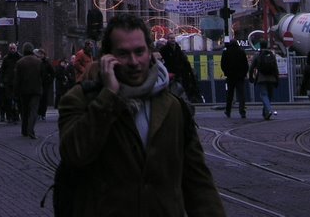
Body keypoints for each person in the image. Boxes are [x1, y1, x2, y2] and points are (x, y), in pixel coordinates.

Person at [58, 14, 225, 217]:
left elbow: (198, 183)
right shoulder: (80, 99)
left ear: (150, 52)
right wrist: (109, 97)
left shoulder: (174, 106)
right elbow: (75, 154)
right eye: (123, 54)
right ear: (107, 58)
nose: (134, 62)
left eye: (139, 52)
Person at [14, 42, 43, 139]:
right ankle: (30, 129)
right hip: (36, 89)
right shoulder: (38, 62)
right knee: (33, 110)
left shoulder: (20, 62)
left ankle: (24, 130)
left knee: (24, 110)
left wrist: (16, 91)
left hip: (24, 90)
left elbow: (17, 79)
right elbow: (43, 75)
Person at [160, 31, 200, 102]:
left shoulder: (178, 49)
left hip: (179, 73)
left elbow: (183, 61)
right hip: (170, 72)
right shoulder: (164, 50)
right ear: (168, 39)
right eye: (171, 38)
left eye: (173, 38)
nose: (172, 40)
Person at [248, 40, 278, 120]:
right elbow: (275, 68)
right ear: (267, 45)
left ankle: (268, 110)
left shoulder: (257, 55)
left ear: (260, 46)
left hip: (261, 78)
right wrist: (277, 79)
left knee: (264, 95)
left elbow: (251, 68)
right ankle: (265, 113)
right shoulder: (271, 54)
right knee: (269, 96)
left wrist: (251, 77)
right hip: (272, 78)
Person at [220, 38, 249, 119]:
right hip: (240, 77)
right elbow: (246, 65)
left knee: (230, 95)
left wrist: (226, 72)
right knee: (241, 95)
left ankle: (228, 111)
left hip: (230, 76)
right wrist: (243, 74)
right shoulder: (241, 52)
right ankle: (242, 111)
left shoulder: (226, 52)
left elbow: (223, 65)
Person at [0, 42, 20, 122]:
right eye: (11, 48)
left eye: (13, 48)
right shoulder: (6, 58)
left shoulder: (19, 57)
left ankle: (15, 115)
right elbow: (2, 70)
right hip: (8, 82)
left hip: (16, 81)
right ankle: (9, 116)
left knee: (16, 100)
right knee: (8, 99)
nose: (12, 50)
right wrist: (2, 80)